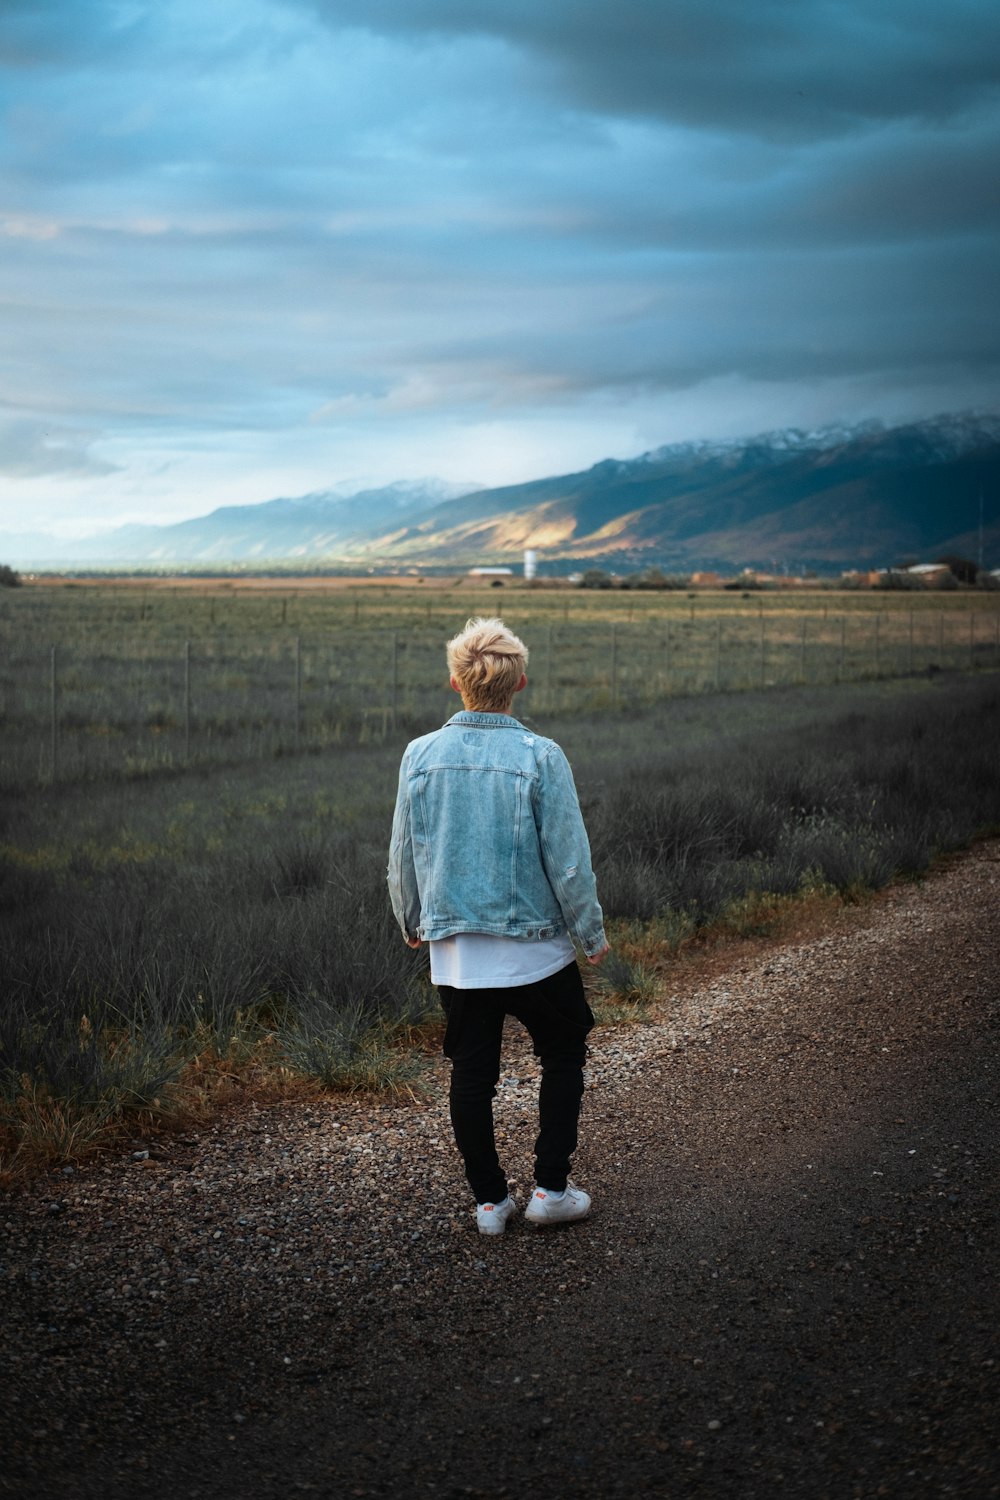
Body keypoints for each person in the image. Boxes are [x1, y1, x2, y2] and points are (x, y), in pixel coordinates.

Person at [388, 616, 608, 1236]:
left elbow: (402, 851)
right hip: (539, 950)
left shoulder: (419, 755)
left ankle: (489, 1204)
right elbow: (568, 858)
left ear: (454, 682)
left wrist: (412, 918)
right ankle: (550, 1191)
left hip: (457, 953)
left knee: (471, 1073)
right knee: (564, 1056)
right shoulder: (541, 756)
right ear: (521, 684)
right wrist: (590, 935)